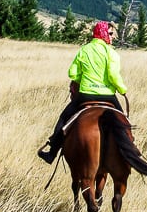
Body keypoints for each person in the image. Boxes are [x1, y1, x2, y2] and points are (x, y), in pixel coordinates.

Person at [37, 21, 127, 164]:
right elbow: (113, 75)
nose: (113, 37)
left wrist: (82, 79)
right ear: (103, 33)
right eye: (111, 33)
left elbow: (72, 73)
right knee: (124, 123)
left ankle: (52, 153)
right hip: (108, 96)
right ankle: (131, 151)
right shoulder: (111, 53)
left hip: (85, 95)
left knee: (64, 118)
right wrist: (122, 89)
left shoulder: (84, 50)